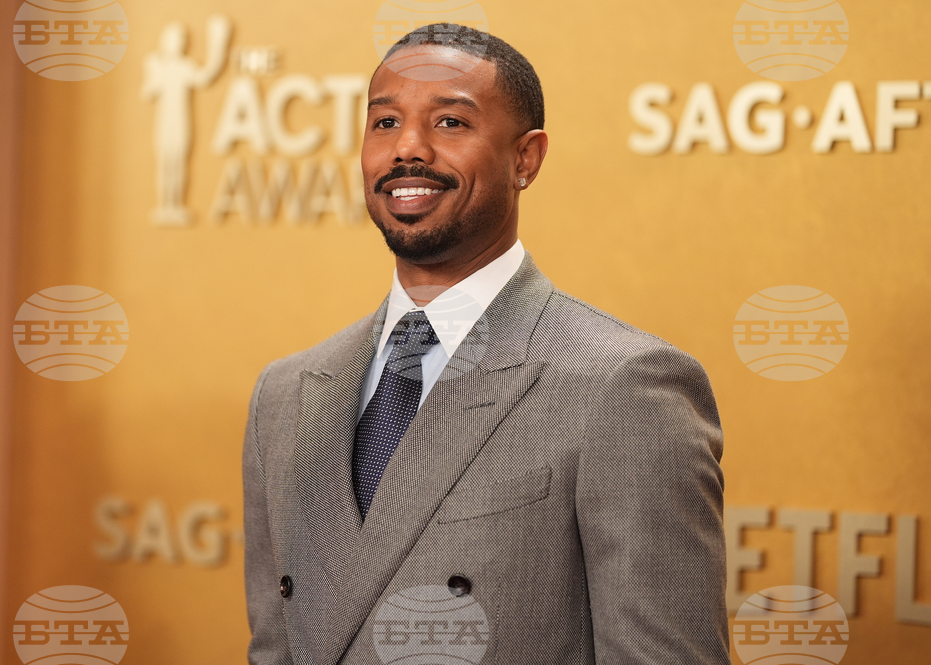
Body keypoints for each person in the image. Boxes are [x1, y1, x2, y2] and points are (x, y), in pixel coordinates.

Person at [243, 24, 730, 665]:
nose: (407, 149)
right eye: (384, 123)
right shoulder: (286, 393)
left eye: (449, 123)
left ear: (525, 159)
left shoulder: (623, 385)